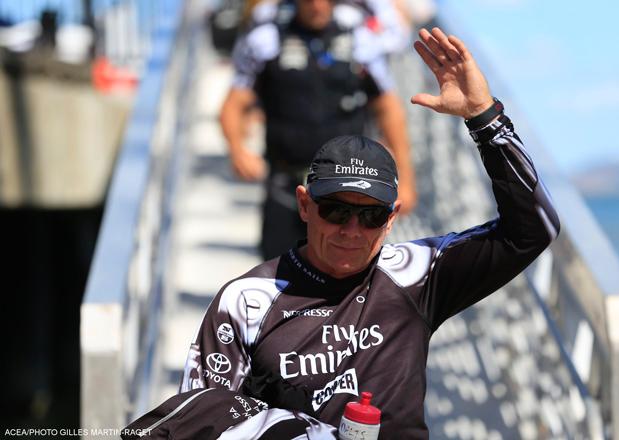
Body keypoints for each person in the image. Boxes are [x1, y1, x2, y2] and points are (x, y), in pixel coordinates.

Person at [123, 27, 560, 439]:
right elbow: (195, 418)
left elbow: (533, 229)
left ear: (392, 218)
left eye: (371, 217)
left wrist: (485, 119)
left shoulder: (417, 276)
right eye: (335, 211)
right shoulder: (246, 301)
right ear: (304, 205)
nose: (352, 230)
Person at [221, 0, 417, 260]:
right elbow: (233, 106)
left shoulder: (361, 41)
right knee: (277, 276)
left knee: (346, 280)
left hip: (347, 194)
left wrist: (406, 177)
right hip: (286, 184)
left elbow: (388, 109)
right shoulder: (266, 41)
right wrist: (237, 150)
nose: (317, 5)